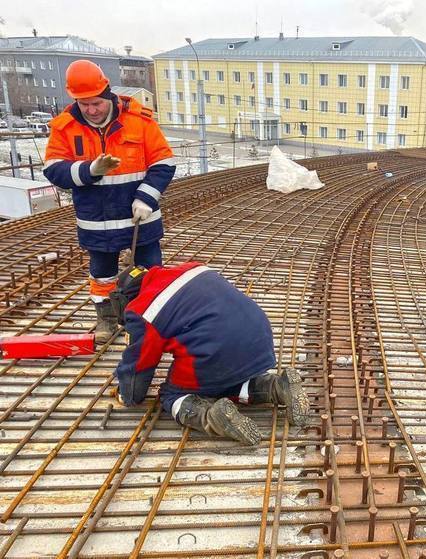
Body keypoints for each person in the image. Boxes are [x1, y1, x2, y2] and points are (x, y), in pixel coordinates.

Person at [43, 60, 176, 343]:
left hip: (140, 220)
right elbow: (53, 169)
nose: (91, 110)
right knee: (102, 276)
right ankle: (106, 319)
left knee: (150, 272)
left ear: (107, 93)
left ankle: (148, 322)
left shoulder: (139, 122)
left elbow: (163, 163)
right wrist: (90, 170)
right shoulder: (65, 128)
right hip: (97, 222)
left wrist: (146, 197)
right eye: (84, 104)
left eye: (96, 104)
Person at [110, 262, 310, 445]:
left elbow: (139, 366)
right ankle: (277, 386)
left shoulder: (142, 308)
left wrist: (126, 394)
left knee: (172, 395)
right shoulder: (190, 268)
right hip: (259, 336)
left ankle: (211, 416)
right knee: (222, 381)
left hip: (215, 347)